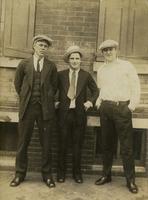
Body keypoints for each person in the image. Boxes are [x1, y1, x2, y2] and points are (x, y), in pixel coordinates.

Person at [10, 34, 58, 188]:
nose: (43, 48)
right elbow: (18, 84)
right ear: (34, 46)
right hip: (28, 108)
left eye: (45, 46)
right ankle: (19, 174)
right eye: (40, 45)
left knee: (47, 143)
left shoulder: (51, 66)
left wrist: (48, 100)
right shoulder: (24, 64)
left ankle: (47, 175)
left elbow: (54, 86)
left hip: (45, 109)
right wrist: (26, 98)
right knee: (23, 142)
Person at [95, 40, 140, 193]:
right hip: (106, 109)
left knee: (126, 147)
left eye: (111, 49)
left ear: (116, 50)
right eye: (105, 50)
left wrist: (130, 107)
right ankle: (106, 175)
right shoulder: (101, 69)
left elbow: (136, 87)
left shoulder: (126, 66)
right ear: (102, 53)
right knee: (107, 144)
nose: (108, 52)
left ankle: (130, 180)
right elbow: (102, 88)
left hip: (122, 108)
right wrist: (99, 100)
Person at [56, 45, 99, 183]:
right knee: (62, 144)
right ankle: (61, 173)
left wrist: (90, 102)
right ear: (68, 60)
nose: (74, 61)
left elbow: (96, 91)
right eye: (72, 58)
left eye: (77, 58)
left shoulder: (86, 75)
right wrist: (55, 101)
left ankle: (77, 173)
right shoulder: (60, 75)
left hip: (79, 114)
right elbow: (51, 89)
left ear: (81, 60)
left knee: (77, 145)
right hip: (63, 114)